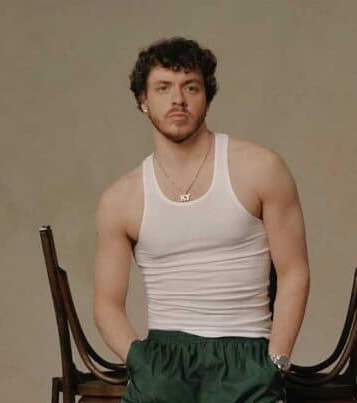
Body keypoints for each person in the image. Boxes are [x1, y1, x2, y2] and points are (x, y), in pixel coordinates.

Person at [93, 36, 310, 403]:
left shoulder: (260, 168)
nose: (177, 99)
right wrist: (141, 362)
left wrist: (276, 361)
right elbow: (106, 304)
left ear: (206, 96)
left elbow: (294, 272)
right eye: (163, 88)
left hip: (246, 352)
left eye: (190, 87)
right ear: (143, 100)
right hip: (163, 358)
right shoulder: (120, 199)